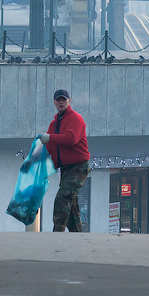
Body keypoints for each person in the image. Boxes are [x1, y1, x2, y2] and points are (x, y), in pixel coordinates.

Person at [34, 89, 90, 232]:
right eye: (58, 100)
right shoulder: (54, 124)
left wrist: (50, 138)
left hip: (78, 166)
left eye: (63, 100)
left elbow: (72, 139)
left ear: (69, 101)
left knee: (63, 197)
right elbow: (51, 147)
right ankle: (77, 235)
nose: (61, 102)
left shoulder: (76, 119)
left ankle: (57, 232)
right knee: (71, 202)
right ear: (54, 102)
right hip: (66, 168)